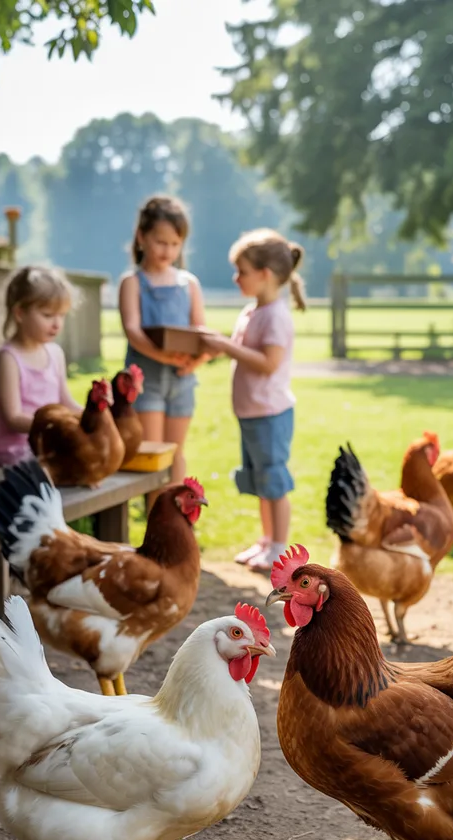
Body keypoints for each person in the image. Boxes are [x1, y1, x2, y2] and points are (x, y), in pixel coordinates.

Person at [201, 228, 305, 573]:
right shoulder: (251, 311)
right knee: (261, 482)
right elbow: (237, 351)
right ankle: (267, 540)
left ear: (265, 275)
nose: (236, 278)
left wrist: (225, 346)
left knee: (273, 483)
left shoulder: (276, 315)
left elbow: (268, 362)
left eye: (242, 271)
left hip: (269, 414)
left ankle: (279, 548)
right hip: (251, 414)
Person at [119, 194, 209, 491]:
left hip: (182, 380)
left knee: (175, 453)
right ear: (141, 237)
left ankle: (178, 526)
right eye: (160, 241)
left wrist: (196, 360)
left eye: (174, 243)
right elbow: (132, 330)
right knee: (153, 455)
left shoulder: (189, 283)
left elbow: (201, 332)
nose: (167, 250)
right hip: (146, 381)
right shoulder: (132, 283)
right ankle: (155, 523)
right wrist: (165, 357)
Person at [0, 266, 81, 467]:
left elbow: (65, 401)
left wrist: (91, 416)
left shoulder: (55, 353)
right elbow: (12, 418)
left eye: (62, 315)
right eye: (48, 315)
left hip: (47, 444)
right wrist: (54, 425)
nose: (57, 324)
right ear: (20, 313)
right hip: (15, 450)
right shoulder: (9, 358)